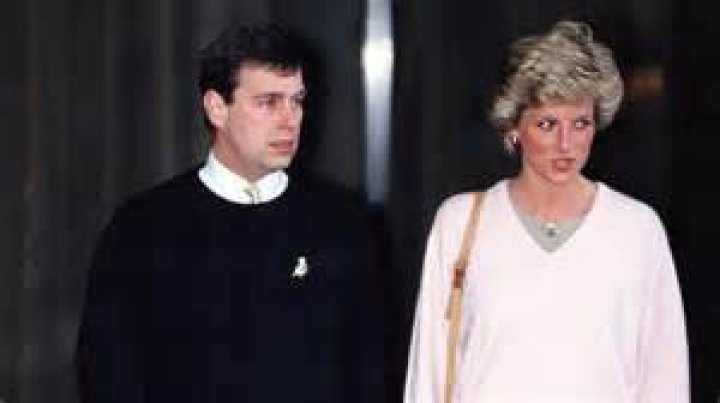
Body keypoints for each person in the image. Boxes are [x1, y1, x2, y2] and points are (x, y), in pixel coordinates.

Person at [77, 23, 383, 403]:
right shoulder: (143, 228)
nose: (290, 120)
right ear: (217, 108)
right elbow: (108, 373)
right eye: (268, 102)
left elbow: (370, 372)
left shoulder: (343, 224)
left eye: (297, 101)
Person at [404, 20, 688, 402]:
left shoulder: (637, 230)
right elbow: (428, 374)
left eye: (581, 123)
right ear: (514, 127)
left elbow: (665, 380)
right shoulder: (460, 223)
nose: (566, 144)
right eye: (547, 124)